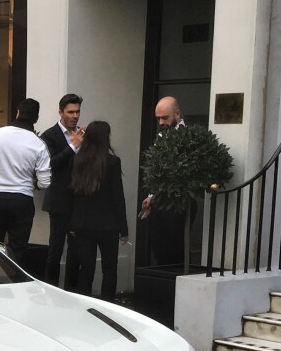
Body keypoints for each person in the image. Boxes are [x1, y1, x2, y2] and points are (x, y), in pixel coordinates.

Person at [65, 120, 128, 301]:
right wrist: (123, 229)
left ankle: (85, 304)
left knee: (86, 268)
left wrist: (71, 222)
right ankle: (108, 304)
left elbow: (71, 194)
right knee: (109, 269)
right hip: (108, 224)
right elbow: (118, 197)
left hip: (82, 223)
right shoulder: (113, 162)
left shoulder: (77, 160)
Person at [0, 98, 51, 262]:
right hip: (21, 199)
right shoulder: (38, 144)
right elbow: (45, 182)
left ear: (18, 112)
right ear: (36, 118)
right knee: (17, 248)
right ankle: (13, 279)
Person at [40, 93, 84, 285]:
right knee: (55, 249)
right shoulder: (49, 136)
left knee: (76, 250)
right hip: (59, 201)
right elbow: (50, 164)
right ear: (61, 112)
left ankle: (72, 289)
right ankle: (51, 287)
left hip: (79, 201)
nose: (75, 116)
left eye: (77, 111)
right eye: (70, 112)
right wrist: (73, 147)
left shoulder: (83, 135)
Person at [140, 95, 189, 265]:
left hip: (178, 202)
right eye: (158, 118)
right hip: (160, 201)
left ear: (177, 114)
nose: (160, 122)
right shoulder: (162, 136)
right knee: (158, 247)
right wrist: (151, 195)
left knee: (174, 248)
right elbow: (158, 170)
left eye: (165, 118)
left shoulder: (188, 137)